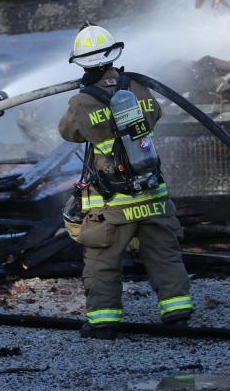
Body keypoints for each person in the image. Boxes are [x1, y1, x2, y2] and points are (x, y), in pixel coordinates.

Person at [58, 24, 192, 337]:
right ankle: (178, 314)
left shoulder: (82, 102)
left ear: (81, 63)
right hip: (153, 193)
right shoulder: (138, 87)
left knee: (102, 261)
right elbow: (155, 114)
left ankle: (104, 323)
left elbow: (69, 132)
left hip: (114, 202)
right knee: (165, 256)